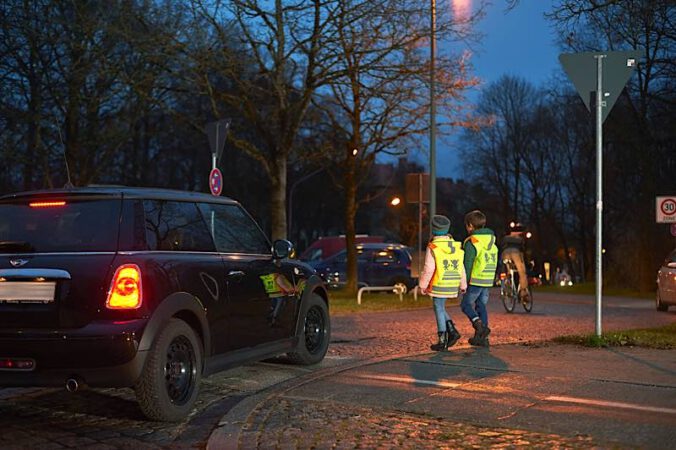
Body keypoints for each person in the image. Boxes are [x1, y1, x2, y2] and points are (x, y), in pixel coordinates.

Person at [418, 215, 467, 351]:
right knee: (439, 306)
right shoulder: (455, 245)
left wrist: (422, 285)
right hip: (452, 282)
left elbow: (429, 268)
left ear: (433, 230)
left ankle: (442, 339)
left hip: (439, 282)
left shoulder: (433, 246)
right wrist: (463, 285)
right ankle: (452, 331)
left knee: (438, 307)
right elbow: (460, 266)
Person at [461, 210, 498, 346]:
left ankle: (478, 324)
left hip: (475, 279)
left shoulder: (472, 242)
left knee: (465, 305)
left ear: (470, 225)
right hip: (488, 278)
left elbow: (468, 263)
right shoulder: (491, 240)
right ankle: (482, 338)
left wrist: (464, 282)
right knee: (481, 305)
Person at [501, 223, 529, 300]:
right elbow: (522, 251)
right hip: (516, 253)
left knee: (508, 272)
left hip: (505, 253)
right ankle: (524, 293)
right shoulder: (520, 239)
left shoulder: (505, 238)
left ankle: (507, 287)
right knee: (522, 272)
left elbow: (502, 246)